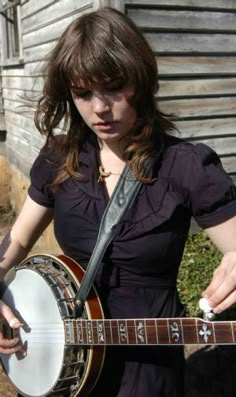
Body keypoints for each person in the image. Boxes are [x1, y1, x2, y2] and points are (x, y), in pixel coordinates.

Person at [0, 6, 236, 397]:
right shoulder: (59, 160)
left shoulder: (186, 166)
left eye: (112, 87)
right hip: (64, 365)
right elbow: (19, 240)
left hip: (147, 371)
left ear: (140, 80)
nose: (99, 108)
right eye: (82, 93)